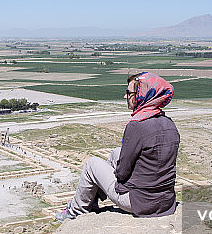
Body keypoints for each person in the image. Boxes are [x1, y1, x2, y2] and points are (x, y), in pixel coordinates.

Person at [56, 71, 179, 221]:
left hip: (139, 203)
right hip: (165, 201)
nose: (125, 96)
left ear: (142, 94)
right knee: (116, 153)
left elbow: (122, 173)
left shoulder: (137, 126)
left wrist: (117, 177)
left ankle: (75, 211)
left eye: (129, 92)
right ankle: (91, 201)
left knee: (92, 164)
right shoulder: (169, 123)